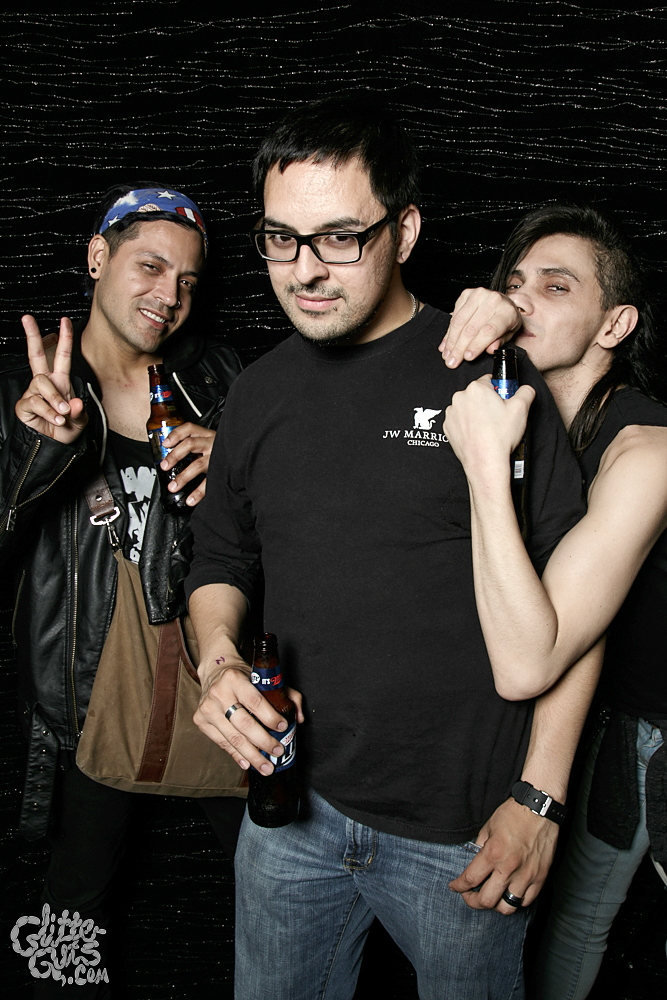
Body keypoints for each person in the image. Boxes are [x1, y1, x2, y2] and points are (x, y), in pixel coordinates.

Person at [185, 96, 591, 1000]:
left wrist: (539, 801)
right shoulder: (256, 394)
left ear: (403, 231)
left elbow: (577, 613)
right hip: (292, 814)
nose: (305, 270)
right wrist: (217, 660)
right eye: (281, 239)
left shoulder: (486, 370)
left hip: (464, 837)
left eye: (339, 238)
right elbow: (219, 558)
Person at [0, 183, 246, 996]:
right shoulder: (24, 385)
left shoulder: (220, 377)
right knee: (71, 922)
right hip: (82, 695)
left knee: (285, 884)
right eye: (150, 266)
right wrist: (40, 450)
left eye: (187, 280)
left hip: (214, 680)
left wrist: (239, 467)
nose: (169, 295)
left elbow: (286, 536)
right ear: (98, 257)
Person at [441, 203, 667, 999]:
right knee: (568, 927)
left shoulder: (646, 449)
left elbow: (526, 660)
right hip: (607, 720)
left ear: (614, 325)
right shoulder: (517, 418)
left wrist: (482, 464)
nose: (521, 300)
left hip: (651, 726)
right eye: (513, 283)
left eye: (555, 286)